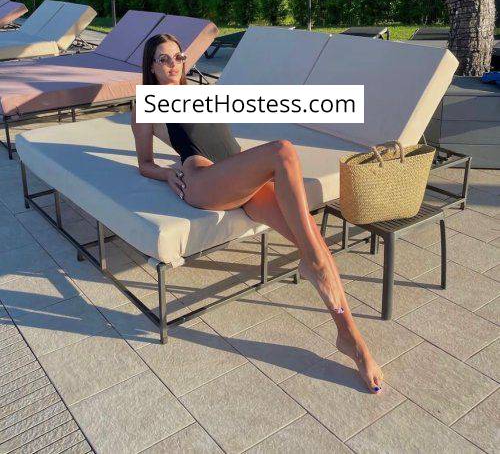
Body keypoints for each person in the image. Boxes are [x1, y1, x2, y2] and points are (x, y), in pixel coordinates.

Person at [132, 33, 383, 393]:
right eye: (164, 59)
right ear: (152, 67)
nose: (173, 64)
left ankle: (350, 337)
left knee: (314, 241)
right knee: (283, 151)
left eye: (178, 57)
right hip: (203, 179)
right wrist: (167, 174)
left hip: (236, 176)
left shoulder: (201, 93)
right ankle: (311, 264)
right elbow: (144, 163)